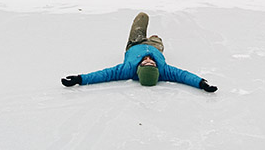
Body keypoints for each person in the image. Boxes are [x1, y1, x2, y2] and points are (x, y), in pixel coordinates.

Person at [61, 12, 218, 92]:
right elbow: (184, 76)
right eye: (152, 64)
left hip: (135, 43)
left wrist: (79, 79)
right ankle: (155, 38)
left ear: (139, 68)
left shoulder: (126, 69)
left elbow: (104, 74)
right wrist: (201, 83)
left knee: (142, 16)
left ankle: (147, 35)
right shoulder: (165, 70)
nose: (149, 61)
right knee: (158, 39)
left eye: (146, 64)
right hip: (155, 46)